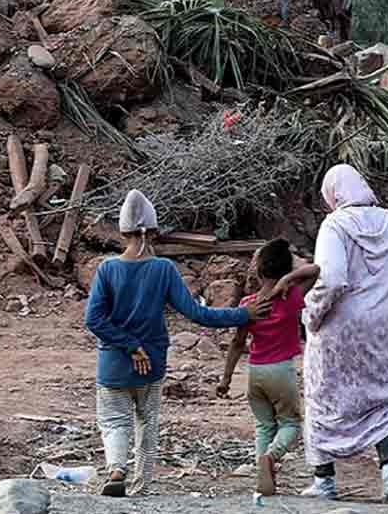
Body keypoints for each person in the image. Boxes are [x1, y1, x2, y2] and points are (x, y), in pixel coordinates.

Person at [85, 190, 272, 498]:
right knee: (147, 422)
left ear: (122, 231)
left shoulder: (107, 269)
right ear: (155, 231)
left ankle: (116, 470)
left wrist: (130, 345)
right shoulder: (164, 269)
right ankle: (141, 485)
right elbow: (196, 313)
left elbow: (94, 320)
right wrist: (242, 314)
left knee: (114, 421)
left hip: (114, 363)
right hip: (153, 362)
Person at [276, 164, 388, 504]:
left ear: (334, 194)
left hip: (341, 329)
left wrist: (310, 314)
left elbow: (333, 279)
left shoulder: (335, 224)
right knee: (386, 398)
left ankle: (324, 481)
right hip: (386, 328)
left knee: (324, 397)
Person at [215, 239, 309, 496]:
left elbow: (236, 343)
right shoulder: (291, 298)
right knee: (290, 424)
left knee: (264, 425)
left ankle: (261, 473)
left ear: (257, 271)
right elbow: (316, 270)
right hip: (281, 371)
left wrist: (225, 380)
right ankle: (271, 456)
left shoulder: (249, 304)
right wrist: (288, 279)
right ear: (285, 270)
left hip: (254, 372)